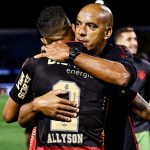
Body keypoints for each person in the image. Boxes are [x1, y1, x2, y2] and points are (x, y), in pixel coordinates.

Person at [17, 3, 138, 150]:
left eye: (91, 26)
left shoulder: (117, 53)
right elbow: (16, 116)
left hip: (115, 143)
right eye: (79, 24)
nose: (81, 32)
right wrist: (36, 105)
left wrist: (72, 54)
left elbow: (122, 77)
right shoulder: (50, 61)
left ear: (107, 33)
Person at [3, 5, 80, 150]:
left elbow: (8, 115)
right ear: (74, 29)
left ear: (44, 41)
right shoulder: (94, 61)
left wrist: (36, 104)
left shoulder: (34, 64)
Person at [114, 26, 150, 150]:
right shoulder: (108, 66)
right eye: (129, 39)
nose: (134, 43)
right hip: (118, 128)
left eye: (135, 39)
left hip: (141, 129)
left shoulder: (146, 67)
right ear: (118, 43)